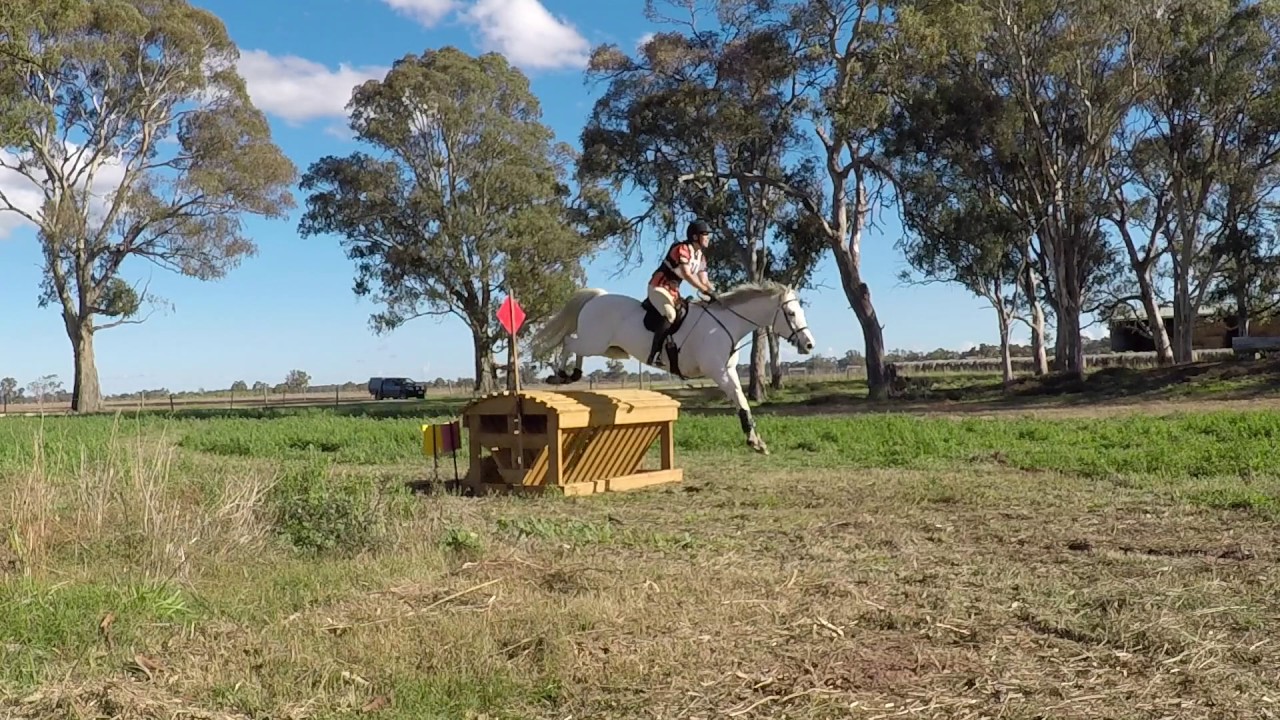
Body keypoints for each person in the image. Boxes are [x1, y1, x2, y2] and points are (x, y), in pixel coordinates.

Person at [645, 219, 718, 366]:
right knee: (670, 315)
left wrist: (716, 293)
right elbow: (687, 274)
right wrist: (705, 290)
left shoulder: (701, 257)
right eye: (705, 234)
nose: (708, 237)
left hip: (673, 292)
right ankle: (654, 355)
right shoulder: (682, 249)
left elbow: (704, 280)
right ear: (695, 237)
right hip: (658, 287)